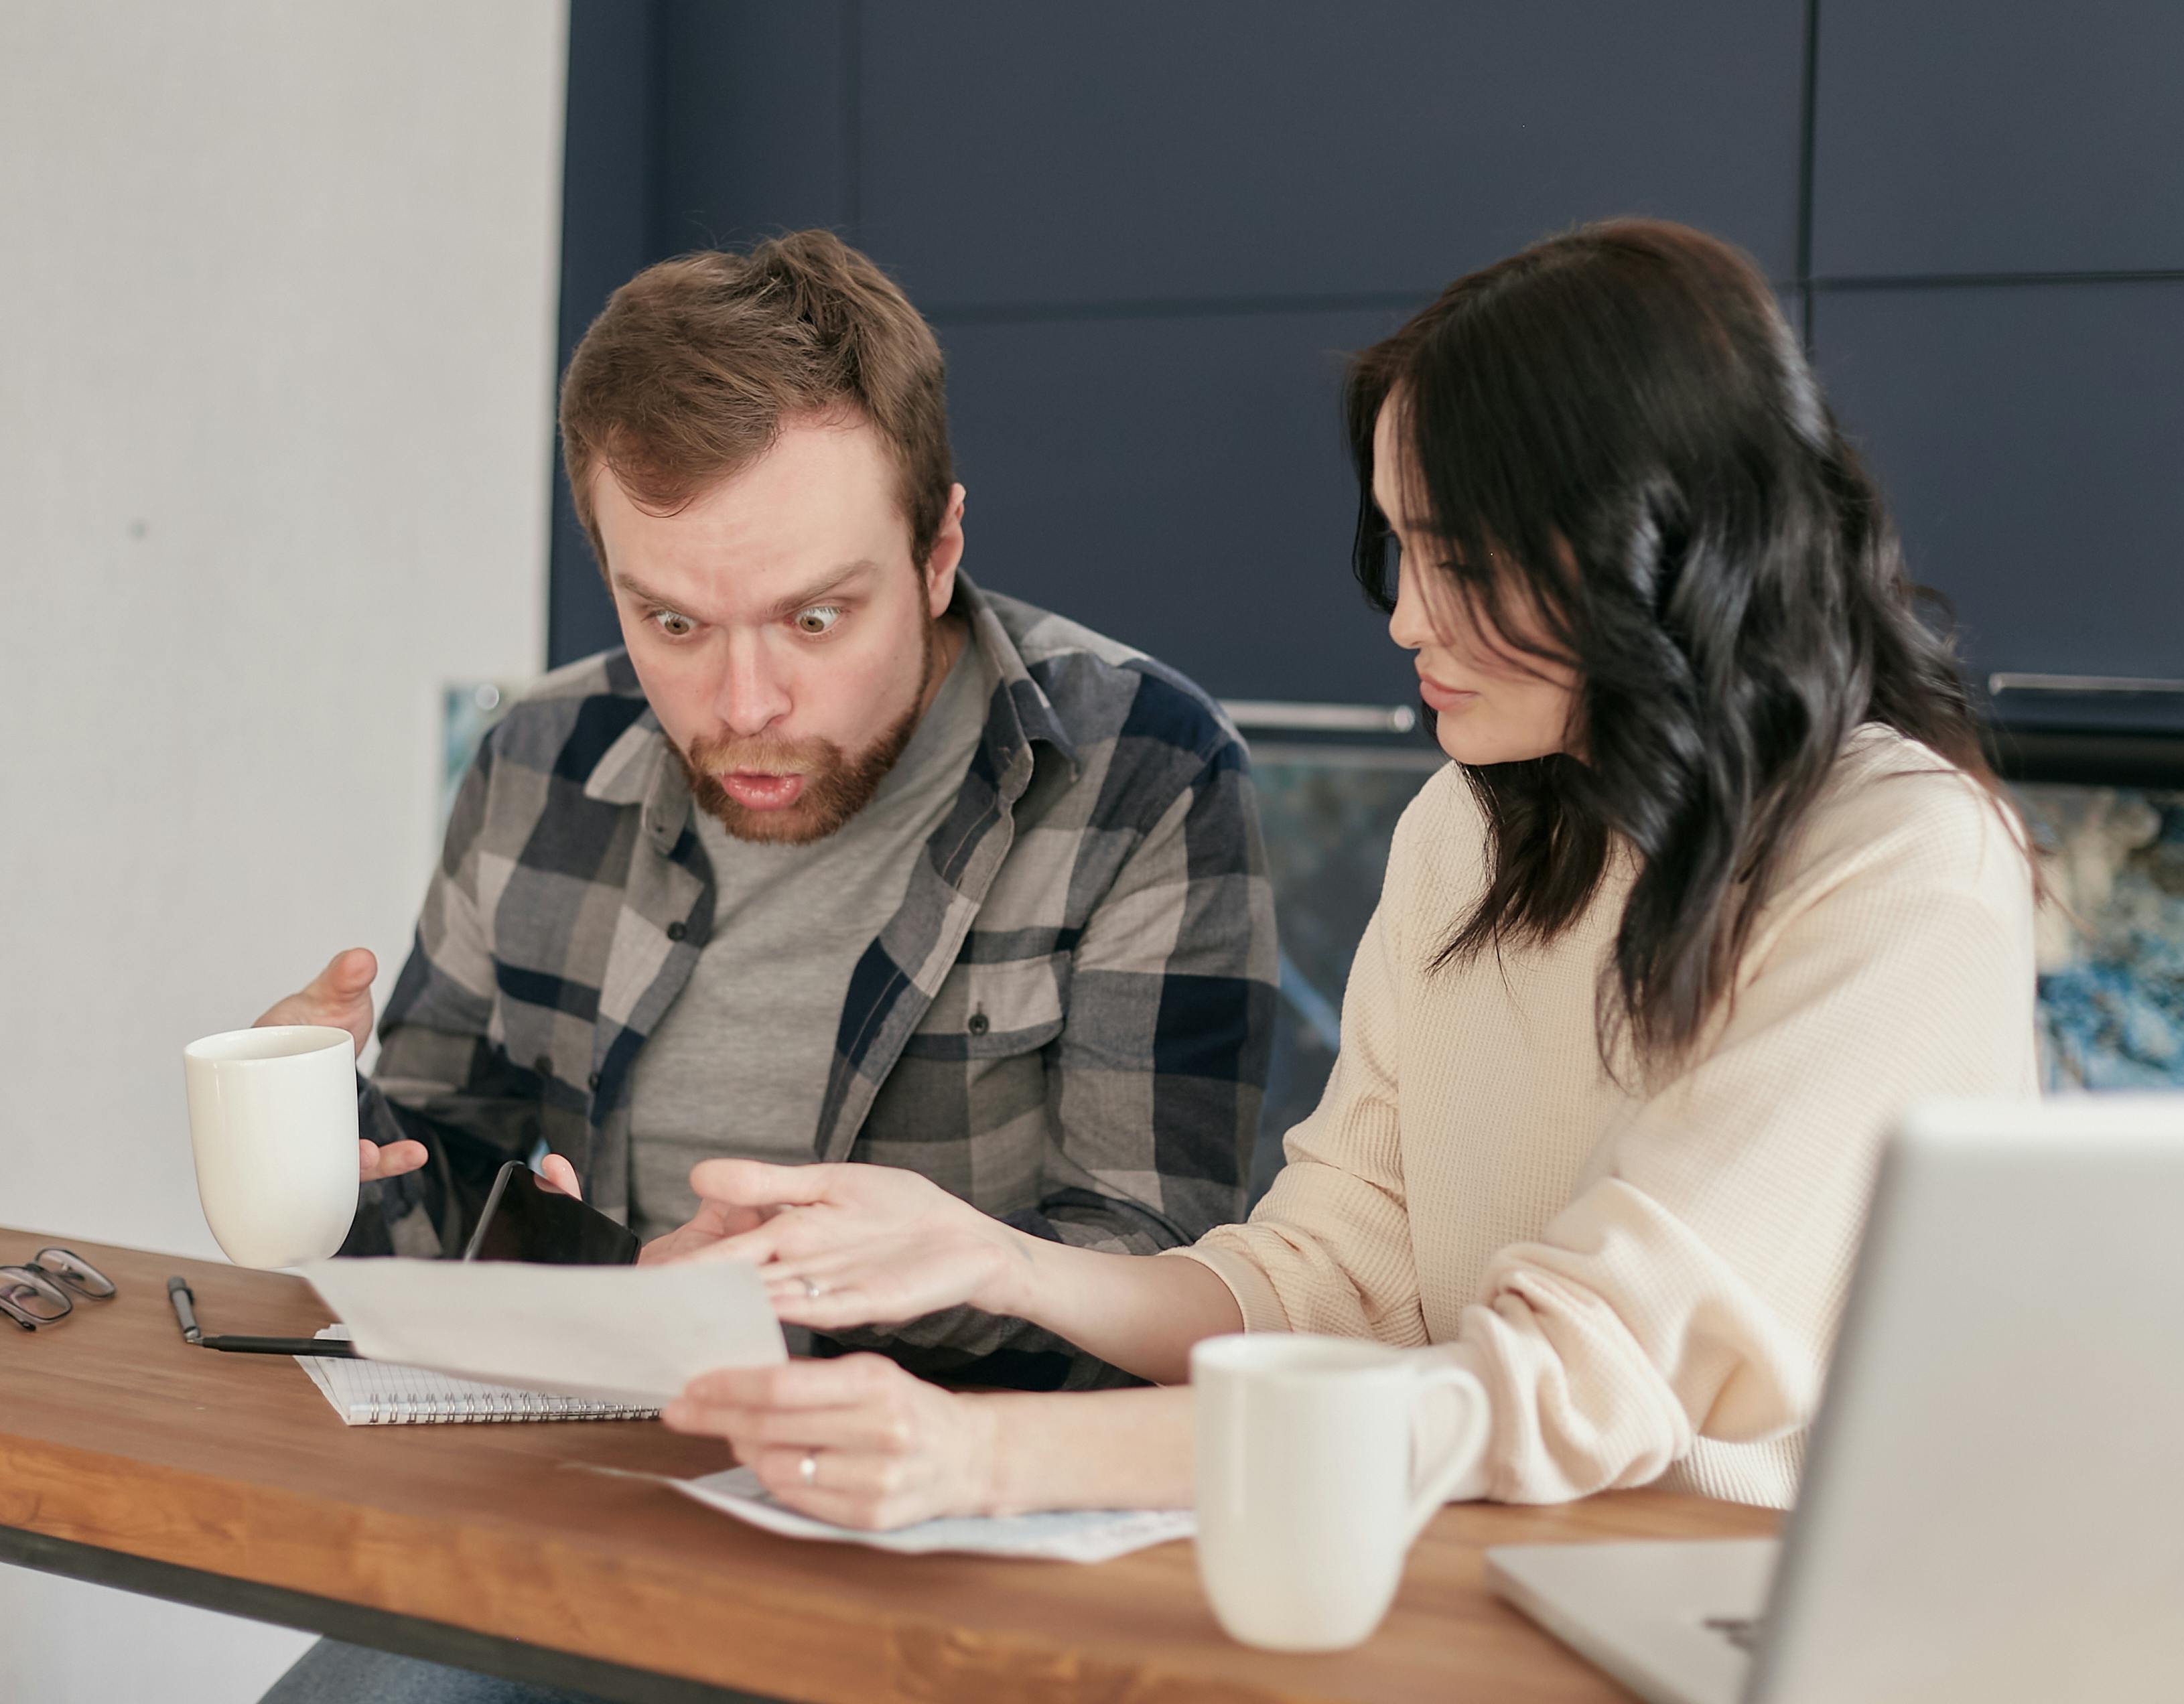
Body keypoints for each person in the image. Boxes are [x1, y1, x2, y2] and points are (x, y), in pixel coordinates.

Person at [646, 219, 2041, 1526]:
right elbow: (1324, 1278)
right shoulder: (1473, 824)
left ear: (1656, 546)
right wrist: (994, 1261)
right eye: (1399, 549)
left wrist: (993, 1454)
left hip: (1761, 1623)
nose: (1409, 619)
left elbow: (1568, 1383)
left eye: (1465, 562)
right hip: (1490, 1575)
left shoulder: (1900, 863)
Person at [252, 229, 1276, 1382]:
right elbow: (437, 1211)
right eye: (675, 624)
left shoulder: (1146, 770)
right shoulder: (537, 757)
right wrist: (311, 1125)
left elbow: (1152, 1282)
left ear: (938, 551)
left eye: (816, 619)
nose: (745, 706)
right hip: (600, 1460)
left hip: (968, 1498)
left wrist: (766, 1301)